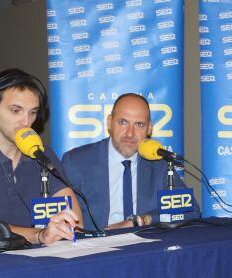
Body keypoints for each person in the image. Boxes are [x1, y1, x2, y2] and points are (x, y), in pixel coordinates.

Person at [0, 69, 81, 243]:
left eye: (32, 112)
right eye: (16, 111)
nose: (26, 122)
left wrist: (62, 227)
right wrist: (40, 235)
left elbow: (75, 218)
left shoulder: (42, 153)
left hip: (40, 260)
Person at [61, 92, 199, 230]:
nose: (130, 133)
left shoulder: (159, 163)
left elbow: (191, 210)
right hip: (96, 247)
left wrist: (142, 220)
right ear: (109, 122)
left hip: (146, 245)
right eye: (122, 122)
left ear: (149, 128)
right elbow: (62, 219)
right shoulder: (76, 162)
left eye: (139, 124)